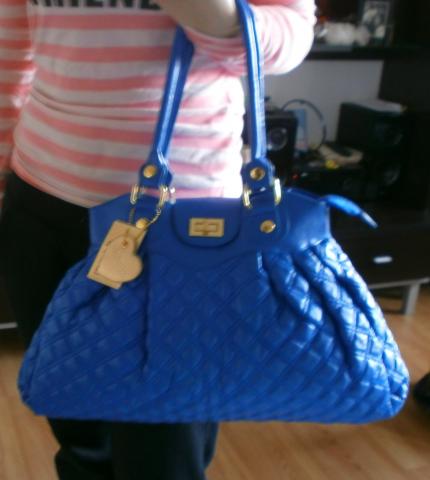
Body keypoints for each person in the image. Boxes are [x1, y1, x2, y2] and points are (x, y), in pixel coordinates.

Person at [0, 0, 316, 479]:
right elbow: (9, 57)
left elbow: (289, 38)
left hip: (184, 226)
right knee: (80, 437)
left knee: (165, 452)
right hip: (42, 204)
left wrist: (209, 12)